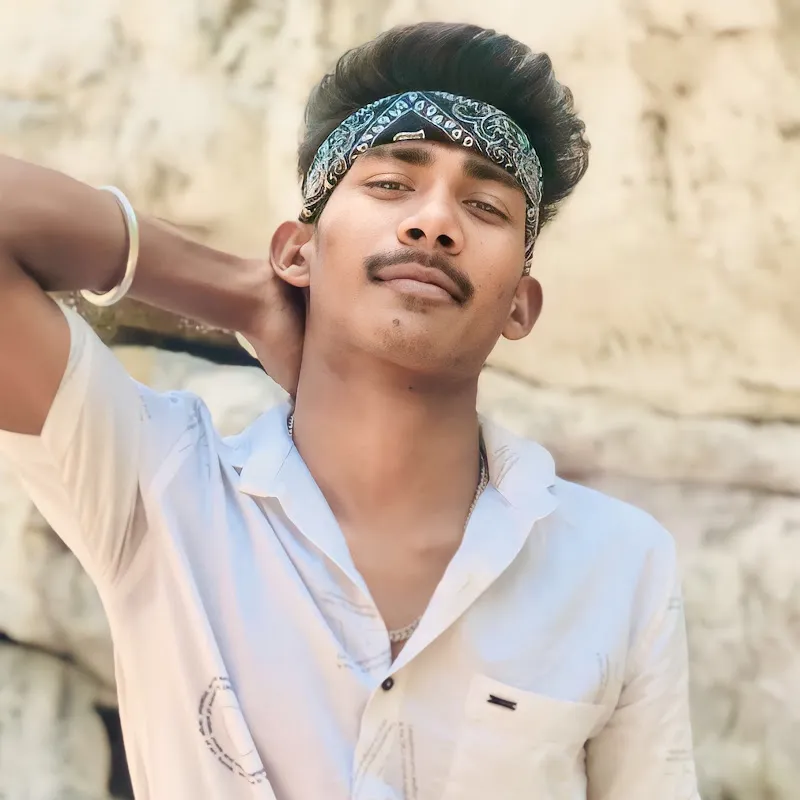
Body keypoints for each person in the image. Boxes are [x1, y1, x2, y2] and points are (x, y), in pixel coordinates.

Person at [0, 20, 700, 800]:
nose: (434, 223)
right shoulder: (162, 489)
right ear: (297, 251)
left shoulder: (616, 562)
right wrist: (239, 291)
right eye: (391, 185)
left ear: (521, 306)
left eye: (484, 206)